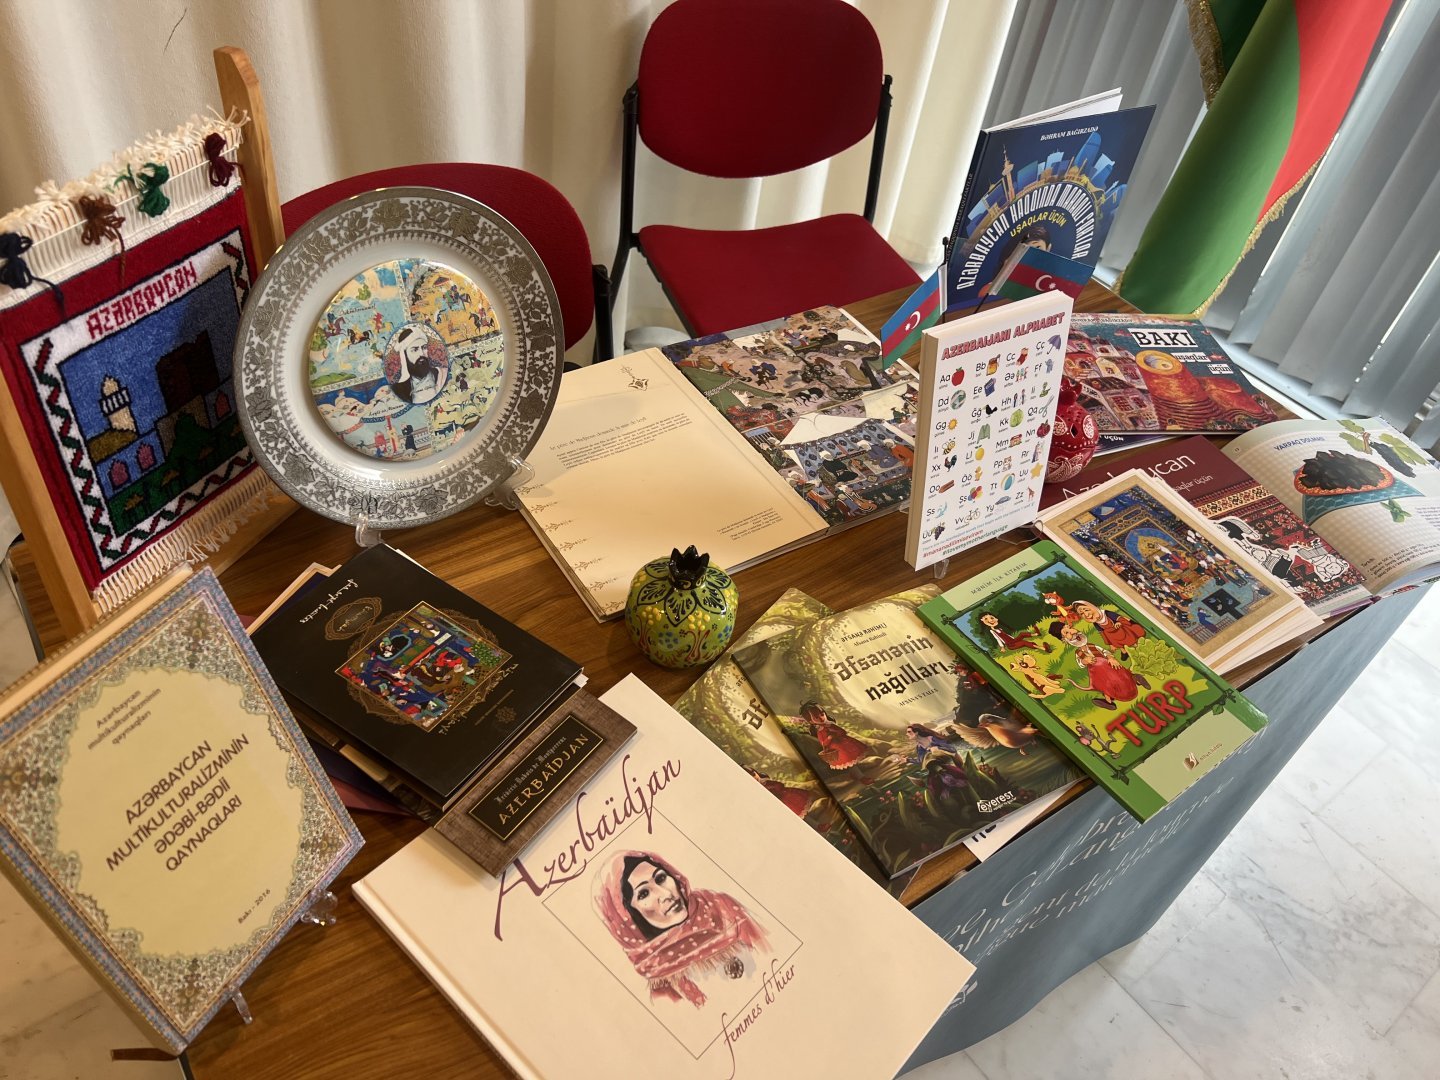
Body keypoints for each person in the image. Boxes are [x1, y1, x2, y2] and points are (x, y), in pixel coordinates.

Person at [593, 851, 768, 1008]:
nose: (666, 894)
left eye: (661, 878)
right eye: (644, 893)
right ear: (627, 917)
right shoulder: (657, 974)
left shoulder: (721, 908)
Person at [796, 701, 870, 770]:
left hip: (845, 744)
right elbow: (823, 743)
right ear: (811, 721)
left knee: (853, 759)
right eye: (816, 717)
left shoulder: (830, 725)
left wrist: (836, 732)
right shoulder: (820, 731)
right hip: (837, 749)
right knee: (847, 761)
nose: (821, 718)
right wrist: (829, 738)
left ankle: (860, 772)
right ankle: (858, 775)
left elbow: (843, 731)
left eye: (822, 714)